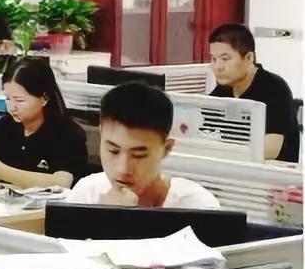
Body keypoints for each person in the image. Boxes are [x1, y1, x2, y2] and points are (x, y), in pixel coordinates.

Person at [68, 82, 220, 208]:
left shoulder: (197, 206)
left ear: (166, 149)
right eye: (113, 151)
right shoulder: (86, 195)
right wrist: (101, 216)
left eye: (138, 155)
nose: (123, 169)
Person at [208, 23, 299, 162]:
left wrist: (221, 151)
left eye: (225, 59)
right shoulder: (224, 88)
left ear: (249, 58)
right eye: (214, 59)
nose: (218, 67)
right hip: (235, 165)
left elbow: (271, 149)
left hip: (272, 170)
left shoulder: (274, 88)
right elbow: (202, 128)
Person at [0, 58, 89, 189]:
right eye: (8, 98)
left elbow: (62, 183)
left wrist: (2, 172)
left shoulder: (68, 134)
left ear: (44, 98)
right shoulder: (5, 126)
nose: (12, 107)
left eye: (19, 100)